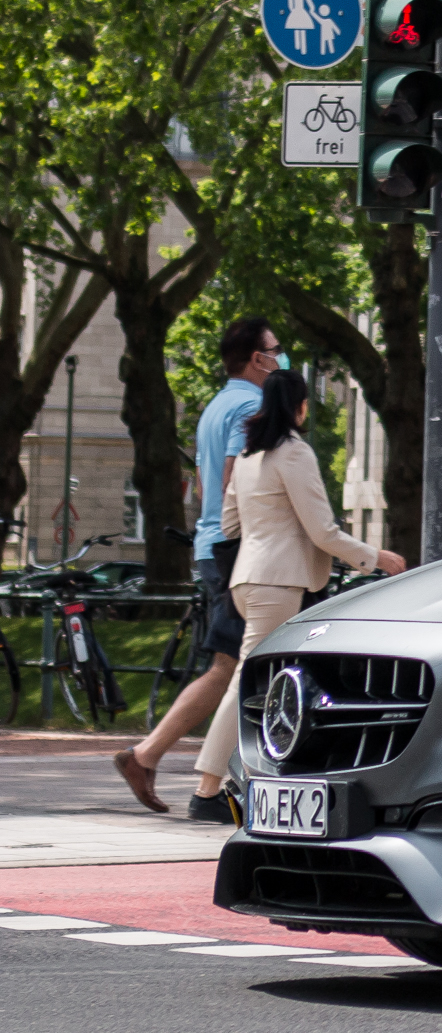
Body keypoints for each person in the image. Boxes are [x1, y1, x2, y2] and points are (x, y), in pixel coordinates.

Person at [190, 368, 406, 790]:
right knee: (248, 679)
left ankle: (256, 776)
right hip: (280, 581)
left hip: (247, 578)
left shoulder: (250, 456)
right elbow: (322, 531)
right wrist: (375, 557)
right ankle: (207, 787)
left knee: (271, 678)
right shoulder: (294, 452)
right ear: (299, 406)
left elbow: (230, 525)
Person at [115, 318, 279, 819]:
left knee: (234, 665)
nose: (280, 359)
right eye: (275, 350)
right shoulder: (252, 405)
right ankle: (169, 765)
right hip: (234, 548)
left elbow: (208, 487)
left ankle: (181, 767)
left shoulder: (216, 404)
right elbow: (234, 480)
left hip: (212, 545)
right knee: (232, 666)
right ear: (257, 358)